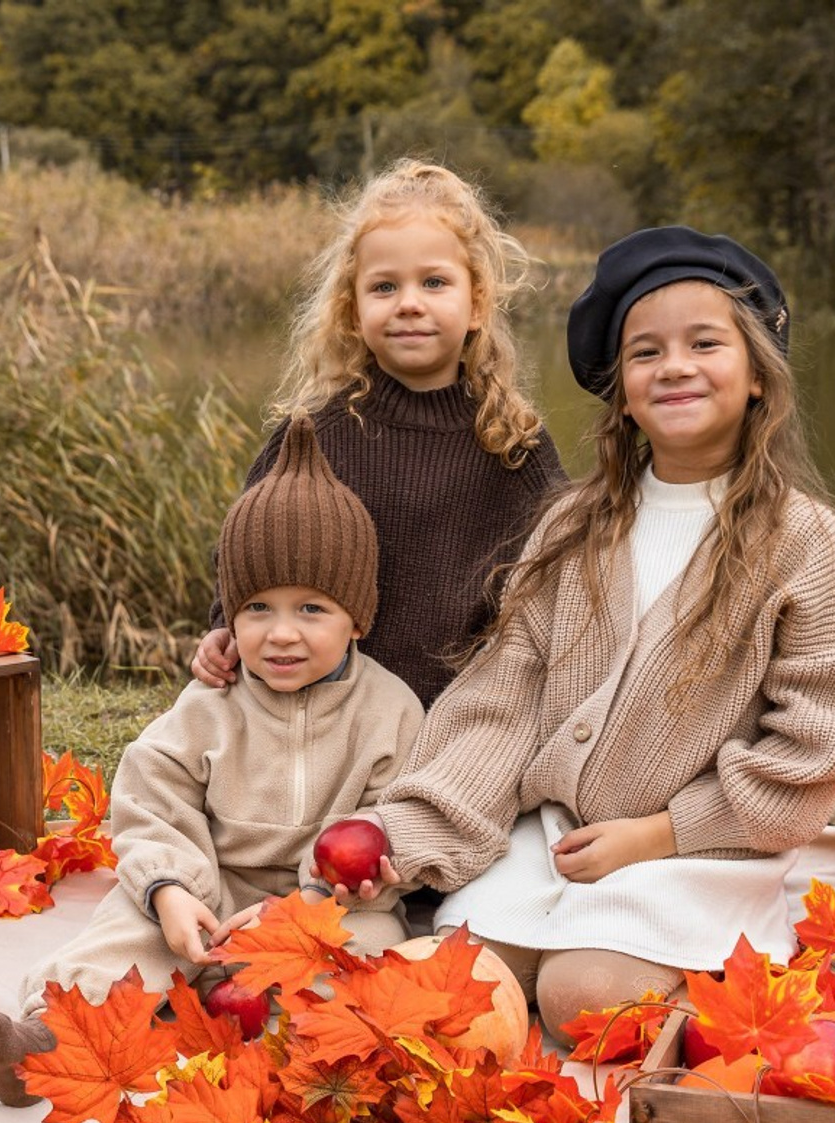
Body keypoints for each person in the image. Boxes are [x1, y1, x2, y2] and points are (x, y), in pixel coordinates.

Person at [366, 226, 835, 1044]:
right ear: (621, 394)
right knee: (460, 981)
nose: (675, 366)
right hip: (558, 838)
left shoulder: (801, 540)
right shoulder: (574, 527)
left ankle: (713, 1005)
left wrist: (662, 833)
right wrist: (408, 833)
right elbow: (503, 700)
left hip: (698, 849)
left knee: (586, 999)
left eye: (705, 344)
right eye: (646, 353)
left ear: (759, 375)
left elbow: (814, 742)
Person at [0, 418, 425, 1106]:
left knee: (369, 960)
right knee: (125, 933)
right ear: (229, 617)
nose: (281, 633)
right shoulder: (212, 703)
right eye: (257, 608)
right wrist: (170, 889)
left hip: (322, 908)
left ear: (357, 618)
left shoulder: (390, 711)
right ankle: (49, 1041)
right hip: (208, 892)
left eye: (311, 609)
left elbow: (395, 820)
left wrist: (310, 906)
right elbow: (153, 796)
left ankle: (315, 1061)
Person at [191, 158, 567, 710]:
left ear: (477, 304)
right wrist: (223, 627)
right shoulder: (316, 434)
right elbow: (248, 549)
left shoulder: (513, 442)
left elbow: (564, 568)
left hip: (464, 716)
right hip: (325, 711)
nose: (409, 303)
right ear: (352, 312)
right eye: (385, 286)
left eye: (434, 282)